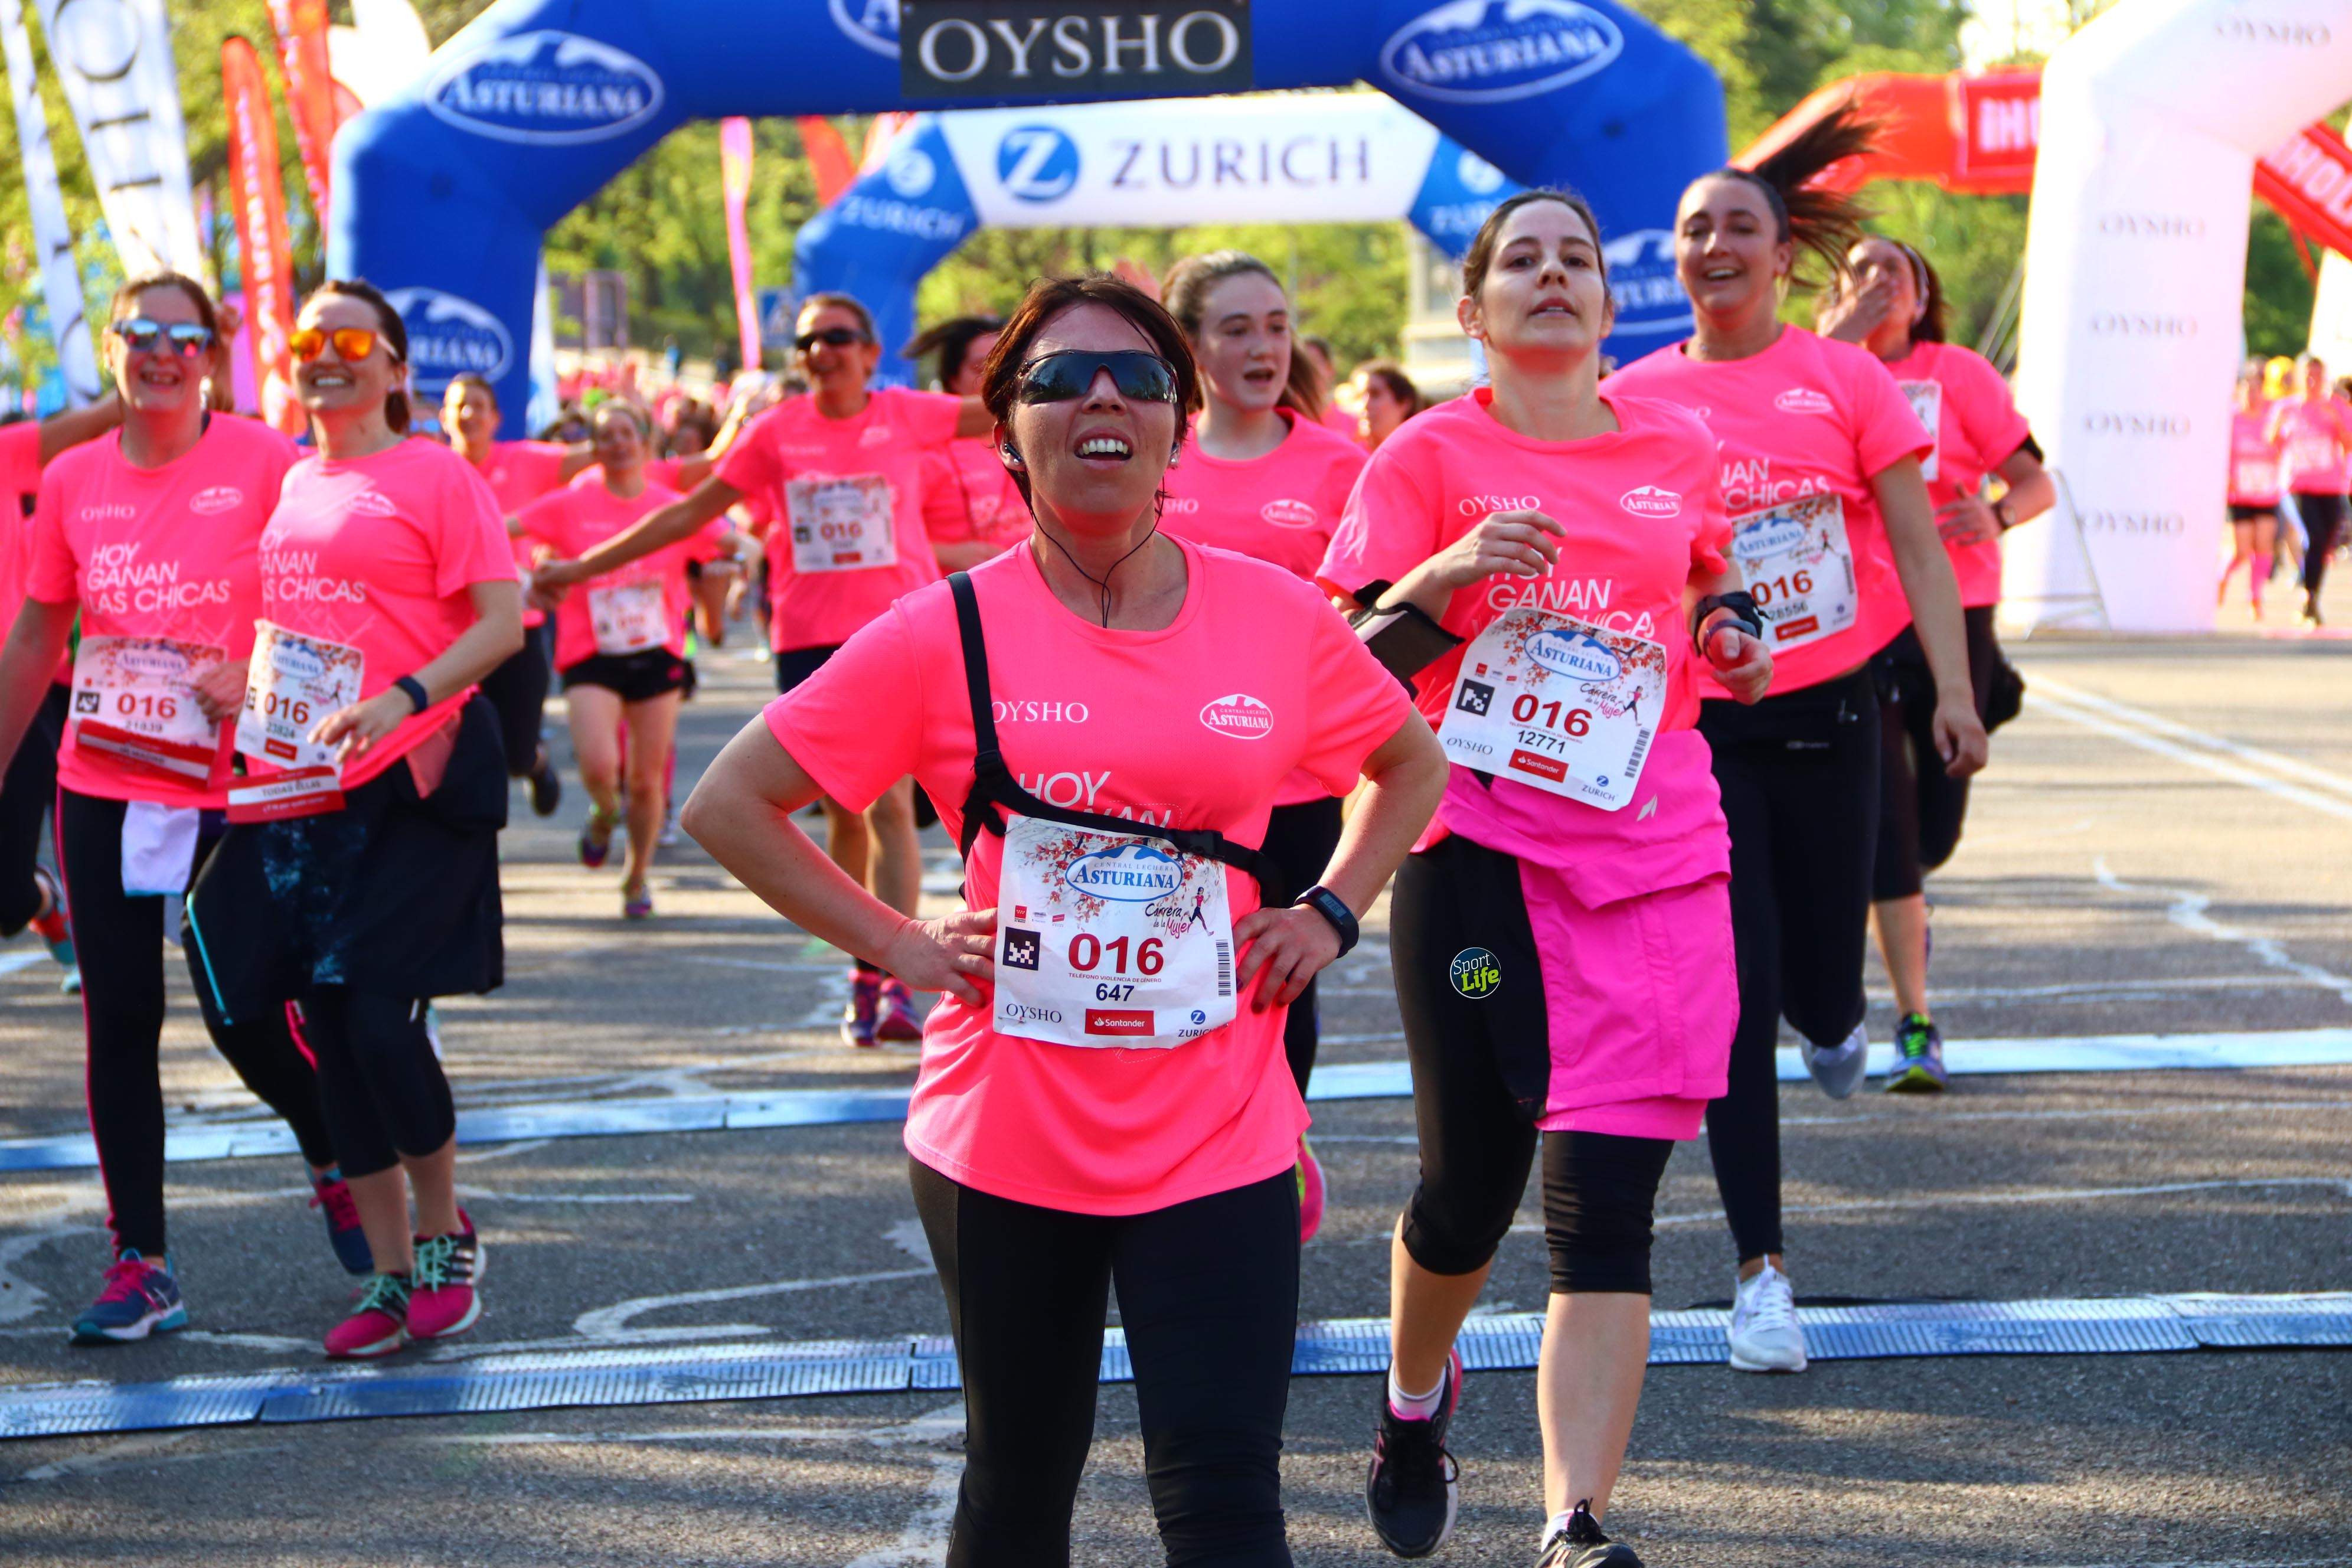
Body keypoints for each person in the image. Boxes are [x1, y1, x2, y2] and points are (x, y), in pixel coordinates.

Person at [683, 272, 1445, 1567]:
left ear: (1176, 424)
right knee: (1021, 1486)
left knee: (1224, 1501)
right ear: (1007, 433)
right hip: (1004, 1135)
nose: (1103, 397)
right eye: (1058, 379)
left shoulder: (1271, 612)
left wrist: (1329, 909)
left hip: (1220, 1128)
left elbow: (1411, 762)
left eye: (1139, 378)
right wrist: (905, 946)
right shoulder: (942, 631)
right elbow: (731, 800)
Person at [1323, 190, 1770, 1568]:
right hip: (1477, 850)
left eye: (1577, 257)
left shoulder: (1677, 445)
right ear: (1474, 312)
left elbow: (1712, 588)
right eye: (1522, 260)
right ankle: (1413, 1401)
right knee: (1472, 1189)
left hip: (1650, 853)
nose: (1554, 276)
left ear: (1606, 300)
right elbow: (1342, 673)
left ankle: (1573, 1524)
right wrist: (1445, 577)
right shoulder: (1425, 454)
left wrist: (1730, 631)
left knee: (1606, 1203)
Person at [1605, 109, 1987, 1373]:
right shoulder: (1636, 397)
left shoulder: (1845, 380)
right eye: (1695, 229)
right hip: (1701, 738)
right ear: (1677, 259)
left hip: (1834, 717)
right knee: (1733, 997)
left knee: (1821, 988)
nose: (1716, 244)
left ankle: (1841, 1018)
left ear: (1781, 260)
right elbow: (1618, 567)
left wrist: (1949, 690)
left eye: (1741, 228)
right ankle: (1760, 1271)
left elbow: (1922, 544)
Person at [0, 274, 368, 1344]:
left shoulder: (264, 460)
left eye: (184, 338)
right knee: (119, 1020)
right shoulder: (70, 479)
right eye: (142, 335)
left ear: (213, 352)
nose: (162, 354)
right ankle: (142, 1263)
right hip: (103, 778)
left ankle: (334, 1153)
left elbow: (327, 593)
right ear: (113, 347)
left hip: (234, 781)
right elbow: (37, 636)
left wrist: (250, 666)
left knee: (245, 1014)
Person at [187, 279, 523, 1358]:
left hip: (414, 777)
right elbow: (298, 633)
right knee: (325, 1031)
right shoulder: (289, 484)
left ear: (392, 367)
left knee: (378, 1017)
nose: (323, 355)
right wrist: (243, 685)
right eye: (305, 340)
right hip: (304, 786)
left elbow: (503, 623)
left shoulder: (436, 472)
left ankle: (442, 1240)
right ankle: (384, 1275)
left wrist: (404, 695)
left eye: (347, 340)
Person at [534, 292, 995, 1047]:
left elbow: (1016, 402)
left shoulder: (910, 413)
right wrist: (584, 565)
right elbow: (686, 514)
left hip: (902, 631)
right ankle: (868, 966)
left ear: (871, 352)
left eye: (839, 338)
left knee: (887, 804)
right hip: (811, 635)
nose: (823, 352)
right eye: (809, 341)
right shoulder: (778, 430)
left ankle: (900, 988)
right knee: (846, 810)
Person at [1160, 250, 1371, 1243]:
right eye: (1236, 328)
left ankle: (1276, 1149)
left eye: (1276, 327)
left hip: (1292, 778)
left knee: (1277, 975)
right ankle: (1201, 1163)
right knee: (1180, 978)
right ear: (1191, 344)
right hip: (1162, 778)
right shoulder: (1159, 458)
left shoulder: (1339, 467)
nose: (1261, 347)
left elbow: (1380, 620)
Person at [1817, 236, 2053, 1091]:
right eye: (1862, 270)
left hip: (1955, 614)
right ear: (1834, 293)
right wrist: (1836, 341)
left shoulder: (1958, 372)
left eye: (1898, 274)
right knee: (1890, 831)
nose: (1880, 283)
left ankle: (1910, 887)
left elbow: (2035, 483)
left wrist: (1996, 515)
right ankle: (1916, 1021)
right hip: (1850, 623)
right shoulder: (1813, 369)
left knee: (1935, 834)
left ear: (1923, 299)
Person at [518, 401, 720, 918]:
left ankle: (636, 875)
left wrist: (741, 555)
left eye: (627, 433)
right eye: (606, 435)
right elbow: (509, 527)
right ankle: (604, 814)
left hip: (657, 651)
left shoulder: (669, 503)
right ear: (594, 446)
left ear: (647, 442)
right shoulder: (571, 501)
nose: (617, 444)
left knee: (647, 779)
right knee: (601, 764)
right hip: (591, 652)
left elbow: (724, 538)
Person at [0, 394, 125, 987]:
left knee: (5, 903)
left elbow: (117, 411)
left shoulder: (8, 454)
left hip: (20, 692)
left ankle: (43, 898)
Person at [440, 373, 584, 817]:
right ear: (444, 417)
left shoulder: (524, 460)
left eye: (479, 405)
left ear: (496, 418)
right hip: (451, 633)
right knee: (458, 754)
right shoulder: (431, 470)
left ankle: (536, 765)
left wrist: (617, 428)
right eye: (460, 405)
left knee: (516, 753)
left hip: (518, 628)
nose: (469, 414)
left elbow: (592, 460)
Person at [907, 314, 1030, 571]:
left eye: (1006, 365)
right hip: (960, 600)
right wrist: (947, 555)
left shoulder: (1034, 437)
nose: (996, 377)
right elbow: (884, 538)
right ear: (952, 378)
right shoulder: (926, 451)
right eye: (980, 368)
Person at [2263, 354, 2352, 627]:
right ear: (2300, 378)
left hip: (2330, 484)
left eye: (2318, 376)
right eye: (2309, 376)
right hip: (2297, 484)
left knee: (2326, 542)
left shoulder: (2336, 407)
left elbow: (2348, 444)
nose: (2314, 382)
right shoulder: (2286, 408)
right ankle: (2308, 596)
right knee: (2313, 535)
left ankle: (2311, 597)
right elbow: (2270, 444)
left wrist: (2336, 420)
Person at [2223, 362, 2283, 618]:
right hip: (2241, 494)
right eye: (2248, 389)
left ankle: (2255, 597)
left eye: (2257, 389)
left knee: (2265, 545)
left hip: (2267, 491)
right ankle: (2222, 576)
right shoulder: (2232, 420)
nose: (2253, 395)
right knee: (2243, 550)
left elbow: (2284, 446)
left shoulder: (2273, 417)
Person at [1351, 359, 1425, 450]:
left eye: (1375, 394)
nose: (1365, 404)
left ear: (1404, 403)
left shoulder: (1421, 454)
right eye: (1358, 396)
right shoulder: (1347, 457)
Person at [1298, 333, 1360, 441]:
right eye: (1301, 364)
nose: (1306, 371)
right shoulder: (1284, 424)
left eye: (1313, 362)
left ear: (1330, 369)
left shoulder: (1353, 424)